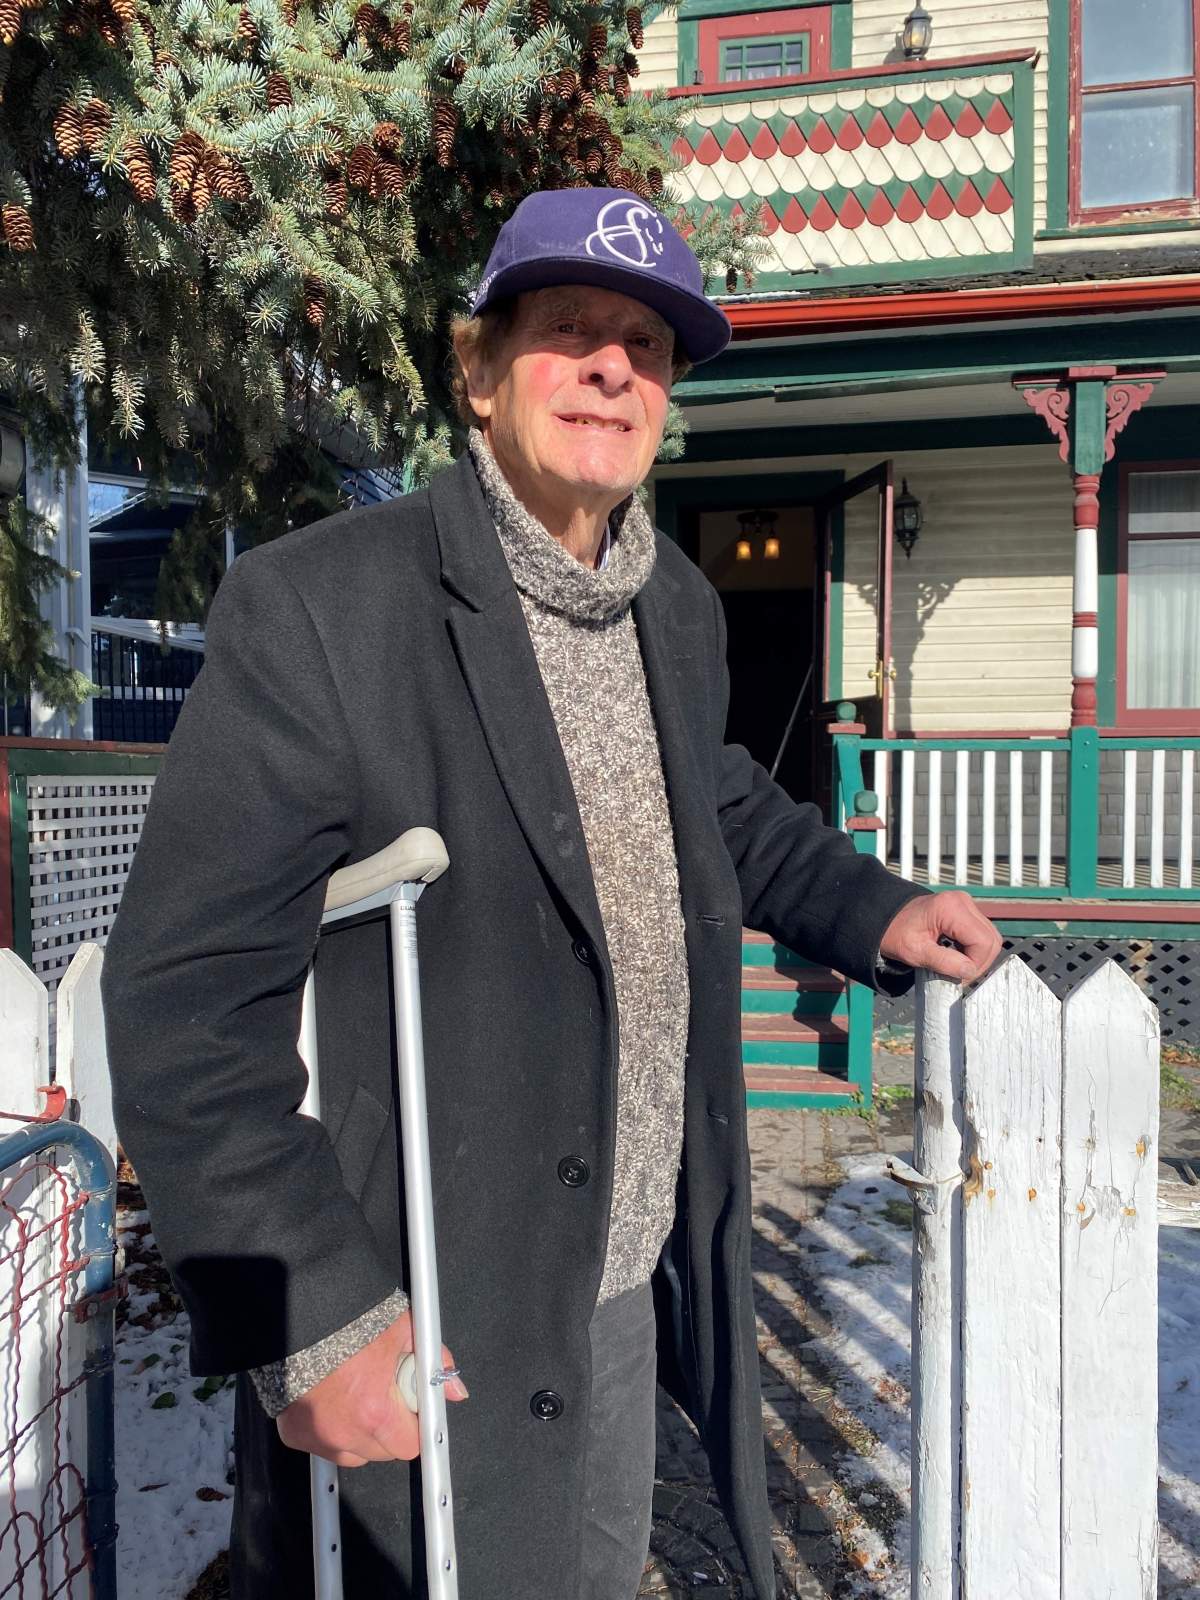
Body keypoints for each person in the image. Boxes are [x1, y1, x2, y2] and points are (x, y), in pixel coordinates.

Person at [101, 187, 1001, 1600]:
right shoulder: (323, 610)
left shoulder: (673, 607)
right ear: (479, 371)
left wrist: (867, 907)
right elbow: (183, 1002)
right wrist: (316, 1313)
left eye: (645, 346)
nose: (610, 369)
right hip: (427, 1309)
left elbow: (710, 799)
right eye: (569, 329)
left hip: (620, 1283)